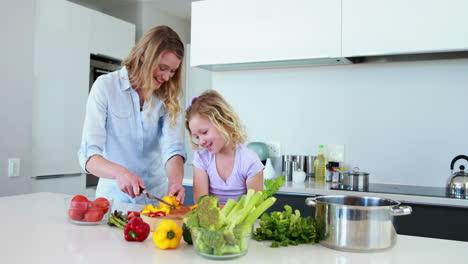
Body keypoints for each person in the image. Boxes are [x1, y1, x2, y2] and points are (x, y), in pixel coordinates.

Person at [78, 26, 186, 204]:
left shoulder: (168, 97)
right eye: (163, 68)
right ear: (144, 56)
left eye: (173, 71)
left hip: (155, 200)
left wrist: (175, 183)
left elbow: (173, 148)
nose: (167, 77)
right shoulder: (106, 87)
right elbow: (89, 155)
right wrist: (120, 172)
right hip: (113, 201)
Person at [185, 90, 264, 204]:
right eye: (196, 137)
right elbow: (201, 203)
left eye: (204, 132)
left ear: (223, 122)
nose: (201, 141)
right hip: (210, 220)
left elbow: (254, 206)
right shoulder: (202, 159)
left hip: (241, 221)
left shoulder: (249, 161)